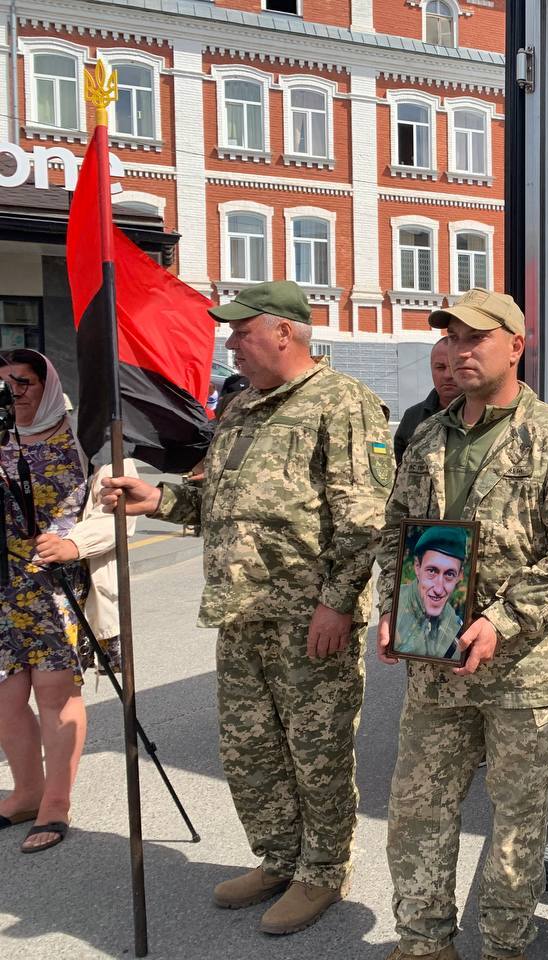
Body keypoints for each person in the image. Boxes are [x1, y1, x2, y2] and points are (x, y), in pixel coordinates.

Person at [102, 280, 392, 935]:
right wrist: (159, 500)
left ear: (284, 332)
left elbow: (364, 520)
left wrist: (337, 604)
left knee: (316, 752)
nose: (230, 343)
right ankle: (280, 858)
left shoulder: (342, 403)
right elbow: (219, 503)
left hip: (308, 619)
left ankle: (323, 870)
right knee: (251, 750)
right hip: (241, 612)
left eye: (241, 330)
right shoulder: (240, 409)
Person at [377, 288, 548, 960]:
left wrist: (503, 620)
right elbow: (398, 531)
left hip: (524, 672)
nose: (459, 351)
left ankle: (504, 947)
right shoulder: (430, 435)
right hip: (437, 663)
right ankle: (424, 944)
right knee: (418, 811)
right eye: (451, 338)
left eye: (475, 337)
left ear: (516, 344)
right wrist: (394, 607)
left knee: (514, 829)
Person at [0, 349, 89, 854]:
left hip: (53, 582)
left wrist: (73, 544)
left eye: (24, 382)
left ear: (47, 384)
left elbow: (106, 510)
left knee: (54, 692)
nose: (14, 393)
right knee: (5, 694)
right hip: (3, 583)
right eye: (5, 385)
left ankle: (55, 801)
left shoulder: (79, 438)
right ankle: (26, 792)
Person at [33, 457, 140, 677]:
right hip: (9, 581)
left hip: (66, 582)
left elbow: (118, 513)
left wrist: (74, 544)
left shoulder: (101, 446)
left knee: (55, 685)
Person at [395, 525, 467, 660]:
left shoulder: (455, 628)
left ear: (459, 576)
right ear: (417, 567)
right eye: (432, 571)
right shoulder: (394, 606)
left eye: (449, 574)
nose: (438, 589)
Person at [394, 337, 461, 463]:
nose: (448, 375)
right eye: (440, 367)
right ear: (431, 369)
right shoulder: (412, 417)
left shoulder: (481, 414)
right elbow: (398, 468)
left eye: (454, 366)